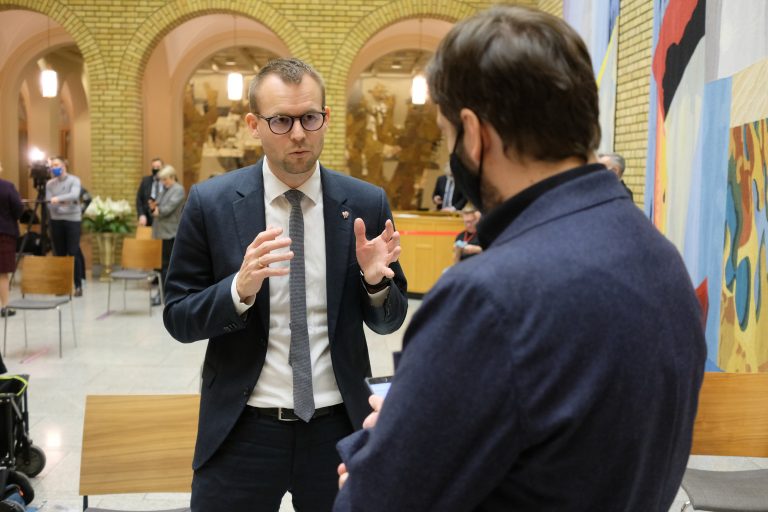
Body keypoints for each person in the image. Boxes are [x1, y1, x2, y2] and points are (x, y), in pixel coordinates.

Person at [334, 6, 706, 512]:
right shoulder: (659, 254)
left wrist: (377, 444)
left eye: (446, 134)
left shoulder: (489, 296)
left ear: (474, 132)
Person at [163, 57, 408, 512]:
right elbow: (178, 316)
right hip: (243, 427)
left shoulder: (364, 203)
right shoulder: (211, 204)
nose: (298, 134)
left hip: (338, 425)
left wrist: (375, 284)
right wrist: (237, 290)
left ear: (325, 119)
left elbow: (391, 319)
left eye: (309, 118)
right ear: (254, 124)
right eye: (281, 121)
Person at [45, 156, 85, 297]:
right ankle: (62, 286)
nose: (54, 168)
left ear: (64, 166)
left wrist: (59, 200)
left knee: (73, 251)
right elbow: (49, 202)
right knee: (59, 253)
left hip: (73, 219)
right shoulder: (50, 184)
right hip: (57, 219)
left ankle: (78, 285)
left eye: (57, 165)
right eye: (52, 165)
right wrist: (61, 204)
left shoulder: (74, 180)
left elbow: (74, 195)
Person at [149, 164, 184, 306]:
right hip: (159, 232)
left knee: (166, 266)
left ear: (172, 177)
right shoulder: (165, 189)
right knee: (159, 267)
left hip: (170, 233)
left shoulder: (178, 190)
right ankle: (161, 293)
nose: (163, 183)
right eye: (162, 180)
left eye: (165, 179)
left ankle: (165, 295)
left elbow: (167, 209)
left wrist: (158, 210)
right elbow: (156, 204)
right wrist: (154, 207)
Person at [0, 163, 23, 322]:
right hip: (5, 233)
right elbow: (19, 209)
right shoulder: (7, 187)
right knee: (2, 272)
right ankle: (5, 306)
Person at [136, 157, 163, 227]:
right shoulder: (145, 181)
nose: (155, 169)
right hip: (148, 219)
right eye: (153, 167)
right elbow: (139, 199)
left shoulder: (166, 182)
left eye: (158, 167)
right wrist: (141, 215)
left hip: (163, 219)